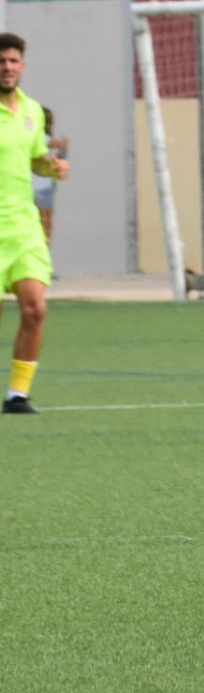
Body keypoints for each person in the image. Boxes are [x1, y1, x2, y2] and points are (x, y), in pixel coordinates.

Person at [0, 34, 69, 415]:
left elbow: (36, 158)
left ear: (22, 66)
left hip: (23, 225)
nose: (7, 67)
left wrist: (52, 166)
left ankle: (18, 395)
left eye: (13, 61)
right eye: (1, 61)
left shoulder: (32, 111)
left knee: (35, 308)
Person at [33, 108, 67, 254]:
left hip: (43, 190)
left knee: (43, 230)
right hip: (42, 191)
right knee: (44, 231)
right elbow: (51, 143)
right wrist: (60, 145)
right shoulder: (40, 138)